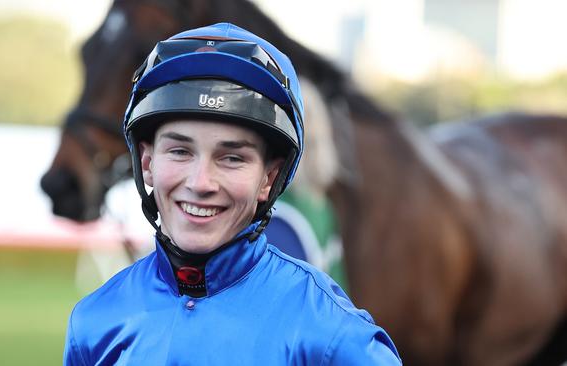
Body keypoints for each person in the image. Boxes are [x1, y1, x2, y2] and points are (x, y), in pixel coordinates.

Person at [63, 22, 401, 365]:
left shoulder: (333, 335)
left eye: (232, 158)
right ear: (147, 162)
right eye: (180, 151)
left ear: (268, 178)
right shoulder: (94, 322)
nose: (201, 182)